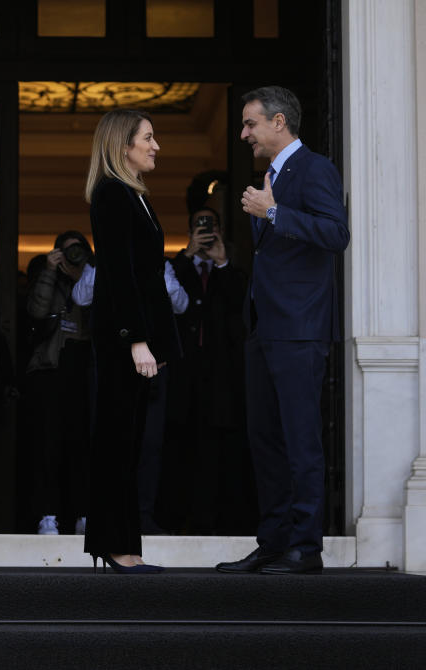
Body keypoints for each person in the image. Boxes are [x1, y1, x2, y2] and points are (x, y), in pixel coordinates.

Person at [216, 86, 349, 575]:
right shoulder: (271, 175)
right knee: (265, 439)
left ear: (278, 122)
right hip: (264, 329)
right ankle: (272, 541)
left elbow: (337, 234)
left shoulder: (314, 169)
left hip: (300, 329)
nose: (244, 133)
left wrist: (272, 212)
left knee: (299, 439)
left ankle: (305, 546)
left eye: (250, 123)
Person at [83, 109, 179, 573]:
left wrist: (156, 342)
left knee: (130, 441)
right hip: (124, 340)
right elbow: (119, 275)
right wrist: (137, 341)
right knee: (117, 441)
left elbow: (146, 278)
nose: (156, 145)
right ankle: (114, 546)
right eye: (148, 137)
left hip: (140, 340)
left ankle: (125, 548)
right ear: (124, 146)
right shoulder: (112, 193)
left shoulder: (135, 195)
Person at [72, 257, 188, 536]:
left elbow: (180, 303)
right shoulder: (100, 264)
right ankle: (104, 516)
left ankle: (142, 516)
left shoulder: (162, 265)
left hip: (152, 367)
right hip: (111, 363)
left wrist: (149, 271)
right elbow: (81, 297)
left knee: (150, 444)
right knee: (107, 440)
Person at [165, 208, 254, 534]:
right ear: (189, 231)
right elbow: (162, 296)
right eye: (199, 225)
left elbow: (241, 306)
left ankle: (219, 521)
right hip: (183, 374)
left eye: (211, 225)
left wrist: (221, 262)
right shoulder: (177, 266)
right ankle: (177, 519)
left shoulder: (230, 270)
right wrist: (188, 254)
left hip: (221, 379)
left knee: (219, 451)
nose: (206, 230)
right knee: (180, 447)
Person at [23, 231, 94, 536]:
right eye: (66, 251)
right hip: (52, 369)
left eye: (77, 250)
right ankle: (47, 515)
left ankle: (84, 514)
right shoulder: (49, 277)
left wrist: (85, 274)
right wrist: (50, 272)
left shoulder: (93, 279)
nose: (72, 256)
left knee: (83, 447)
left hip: (85, 369)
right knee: (48, 445)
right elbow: (37, 311)